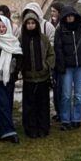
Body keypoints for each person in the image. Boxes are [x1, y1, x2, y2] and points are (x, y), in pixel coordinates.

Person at [53, 6, 81, 130]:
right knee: (66, 95)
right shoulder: (60, 31)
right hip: (67, 67)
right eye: (67, 16)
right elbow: (58, 49)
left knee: (78, 95)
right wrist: (61, 65)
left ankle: (77, 118)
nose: (70, 18)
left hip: (80, 67)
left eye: (72, 16)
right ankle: (65, 119)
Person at [20, 8, 55, 138]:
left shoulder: (43, 39)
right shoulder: (21, 39)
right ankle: (31, 128)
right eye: (28, 23)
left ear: (36, 24)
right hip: (28, 78)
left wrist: (46, 66)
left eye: (33, 23)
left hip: (42, 77)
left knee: (43, 104)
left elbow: (51, 54)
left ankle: (43, 127)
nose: (30, 25)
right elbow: (17, 56)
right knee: (29, 105)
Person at [0, 15, 22, 143]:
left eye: (3, 27)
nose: (1, 29)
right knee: (2, 104)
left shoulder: (13, 41)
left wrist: (14, 72)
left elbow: (19, 58)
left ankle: (3, 129)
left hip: (9, 78)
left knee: (8, 103)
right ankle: (9, 131)